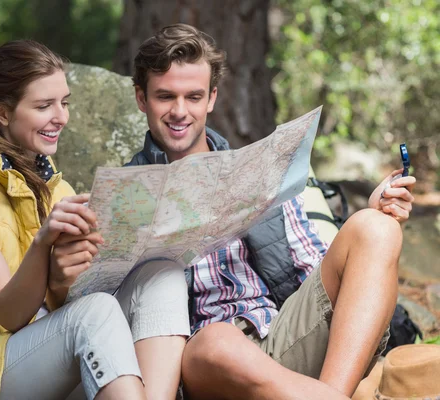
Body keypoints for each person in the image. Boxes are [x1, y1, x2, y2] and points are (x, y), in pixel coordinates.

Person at [125, 24, 417, 400]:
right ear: (141, 98)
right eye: (165, 97)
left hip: (284, 334)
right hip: (206, 363)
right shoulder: (127, 199)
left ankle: (329, 395)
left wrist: (362, 233)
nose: (180, 111)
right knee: (216, 342)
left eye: (193, 96)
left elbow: (313, 268)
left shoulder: (257, 169)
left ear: (211, 98)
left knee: (376, 228)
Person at [0, 40, 152, 400]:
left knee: (159, 279)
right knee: (96, 312)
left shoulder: (56, 187)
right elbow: (11, 313)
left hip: (38, 351)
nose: (61, 117)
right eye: (43, 106)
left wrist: (65, 279)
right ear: (2, 112)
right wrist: (43, 242)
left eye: (64, 103)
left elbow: (59, 307)